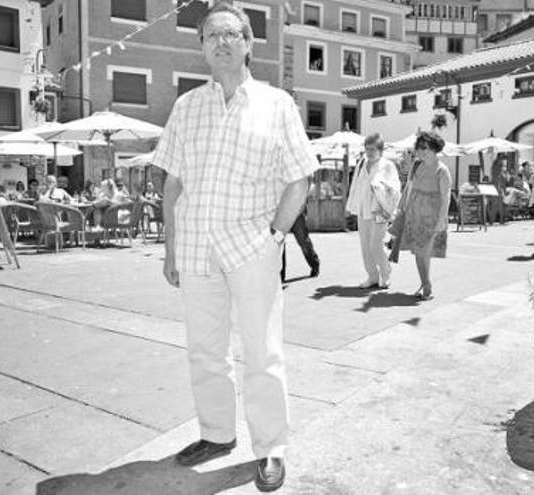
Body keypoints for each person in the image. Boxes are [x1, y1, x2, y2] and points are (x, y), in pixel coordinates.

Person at [151, 3, 318, 490]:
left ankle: (271, 448)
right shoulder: (186, 107)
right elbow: (173, 185)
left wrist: (274, 238)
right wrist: (170, 249)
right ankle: (217, 434)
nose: (220, 43)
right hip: (198, 248)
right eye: (210, 36)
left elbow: (300, 180)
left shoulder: (276, 104)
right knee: (204, 351)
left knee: (262, 354)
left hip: (252, 251)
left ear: (248, 43)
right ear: (201, 48)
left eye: (230, 34)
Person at [392, 131, 451, 300]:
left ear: (434, 148)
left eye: (424, 148)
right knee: (418, 252)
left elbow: (445, 197)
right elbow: (408, 187)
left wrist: (442, 220)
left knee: (424, 251)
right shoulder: (416, 165)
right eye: (419, 148)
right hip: (414, 214)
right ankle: (425, 283)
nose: (420, 151)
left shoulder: (442, 170)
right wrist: (399, 208)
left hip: (431, 217)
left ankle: (426, 286)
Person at [346, 133, 401, 289]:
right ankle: (372, 276)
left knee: (375, 244)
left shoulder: (387, 165)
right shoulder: (362, 163)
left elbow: (396, 188)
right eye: (367, 149)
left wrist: (380, 186)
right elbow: (355, 185)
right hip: (364, 208)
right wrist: (352, 206)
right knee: (365, 246)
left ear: (380, 150)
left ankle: (386, 273)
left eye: (372, 149)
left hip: (380, 209)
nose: (369, 152)